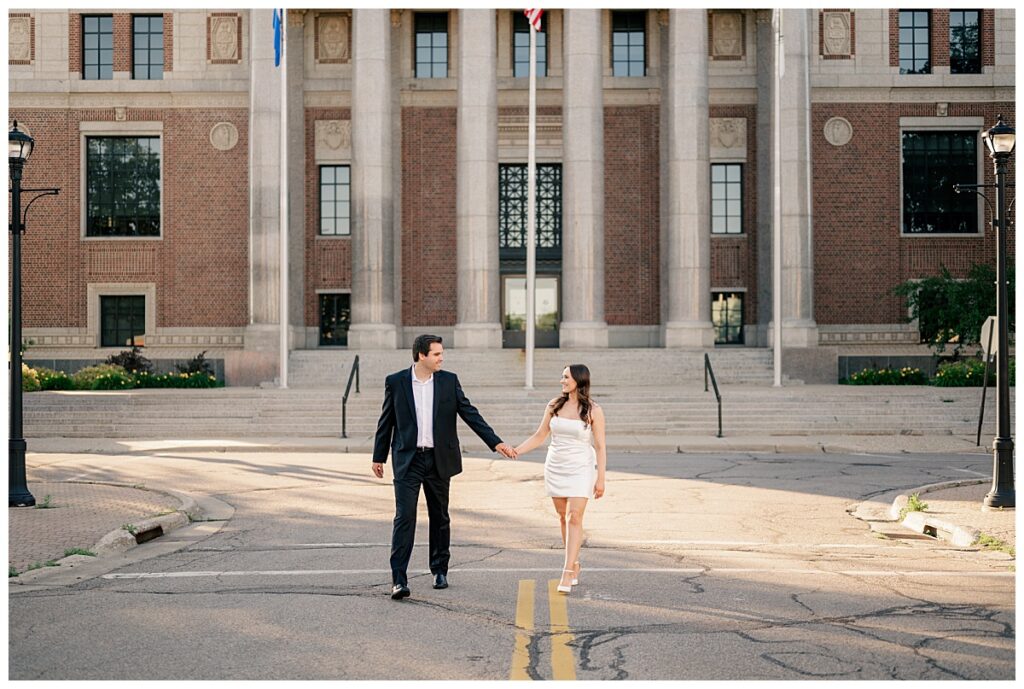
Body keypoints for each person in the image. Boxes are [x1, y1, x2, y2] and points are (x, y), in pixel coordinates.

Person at [372, 334, 517, 600]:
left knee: (440, 516)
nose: (442, 358)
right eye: (437, 354)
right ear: (421, 355)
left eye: (441, 353)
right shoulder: (396, 382)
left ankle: (439, 569)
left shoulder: (449, 381)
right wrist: (378, 456)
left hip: (439, 459)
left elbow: (470, 413)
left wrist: (496, 443)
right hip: (408, 459)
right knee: (404, 517)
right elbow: (387, 420)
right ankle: (399, 579)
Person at [513, 364, 606, 594]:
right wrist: (516, 451)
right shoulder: (554, 405)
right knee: (563, 518)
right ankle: (574, 562)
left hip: (581, 467)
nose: (561, 381)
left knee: (575, 516)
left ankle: (566, 571)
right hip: (555, 465)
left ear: (578, 380)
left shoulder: (594, 410)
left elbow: (601, 447)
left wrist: (600, 478)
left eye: (565, 377)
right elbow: (539, 435)